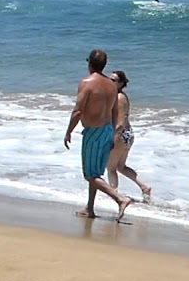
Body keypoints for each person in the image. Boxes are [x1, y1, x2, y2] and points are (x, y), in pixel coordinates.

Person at [64, 49, 132, 221]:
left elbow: (78, 110)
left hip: (93, 132)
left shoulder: (87, 83)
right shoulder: (111, 86)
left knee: (90, 175)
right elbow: (115, 112)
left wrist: (68, 132)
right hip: (107, 130)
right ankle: (90, 208)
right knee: (96, 173)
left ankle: (120, 199)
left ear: (89, 64)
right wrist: (113, 134)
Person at [106, 70, 152, 202]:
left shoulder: (119, 97)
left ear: (121, 83)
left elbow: (120, 123)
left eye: (113, 80)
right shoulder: (119, 96)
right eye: (109, 79)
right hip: (127, 134)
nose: (110, 82)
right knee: (120, 167)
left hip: (121, 134)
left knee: (110, 168)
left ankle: (114, 195)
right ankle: (144, 187)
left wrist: (113, 139)